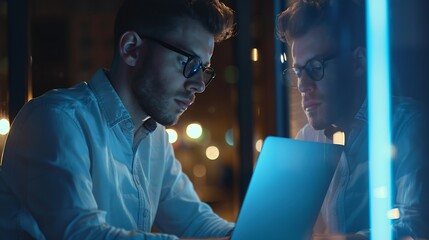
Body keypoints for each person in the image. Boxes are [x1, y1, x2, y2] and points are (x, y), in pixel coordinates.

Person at [0, 0, 236, 239]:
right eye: (189, 64)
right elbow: (81, 234)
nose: (198, 86)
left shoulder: (155, 139)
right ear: (131, 49)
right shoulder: (55, 120)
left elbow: (195, 222)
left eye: (204, 71)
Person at [277, 0, 429, 239]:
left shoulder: (410, 127)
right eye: (298, 71)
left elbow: (417, 228)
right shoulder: (307, 139)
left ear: (357, 62)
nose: (303, 85)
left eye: (315, 67)